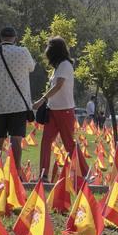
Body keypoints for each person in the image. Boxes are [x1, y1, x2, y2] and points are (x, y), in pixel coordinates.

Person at [0, 26, 36, 174]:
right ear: (15, 38)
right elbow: (32, 68)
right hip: (18, 103)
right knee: (16, 139)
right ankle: (15, 171)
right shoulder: (23, 52)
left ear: (1, 38)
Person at [36, 37, 77, 183]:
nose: (46, 50)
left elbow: (58, 85)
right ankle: (43, 175)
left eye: (48, 46)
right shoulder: (57, 67)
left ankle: (84, 174)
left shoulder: (65, 65)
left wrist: (42, 100)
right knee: (46, 141)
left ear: (55, 50)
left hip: (65, 110)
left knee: (69, 144)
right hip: (53, 110)